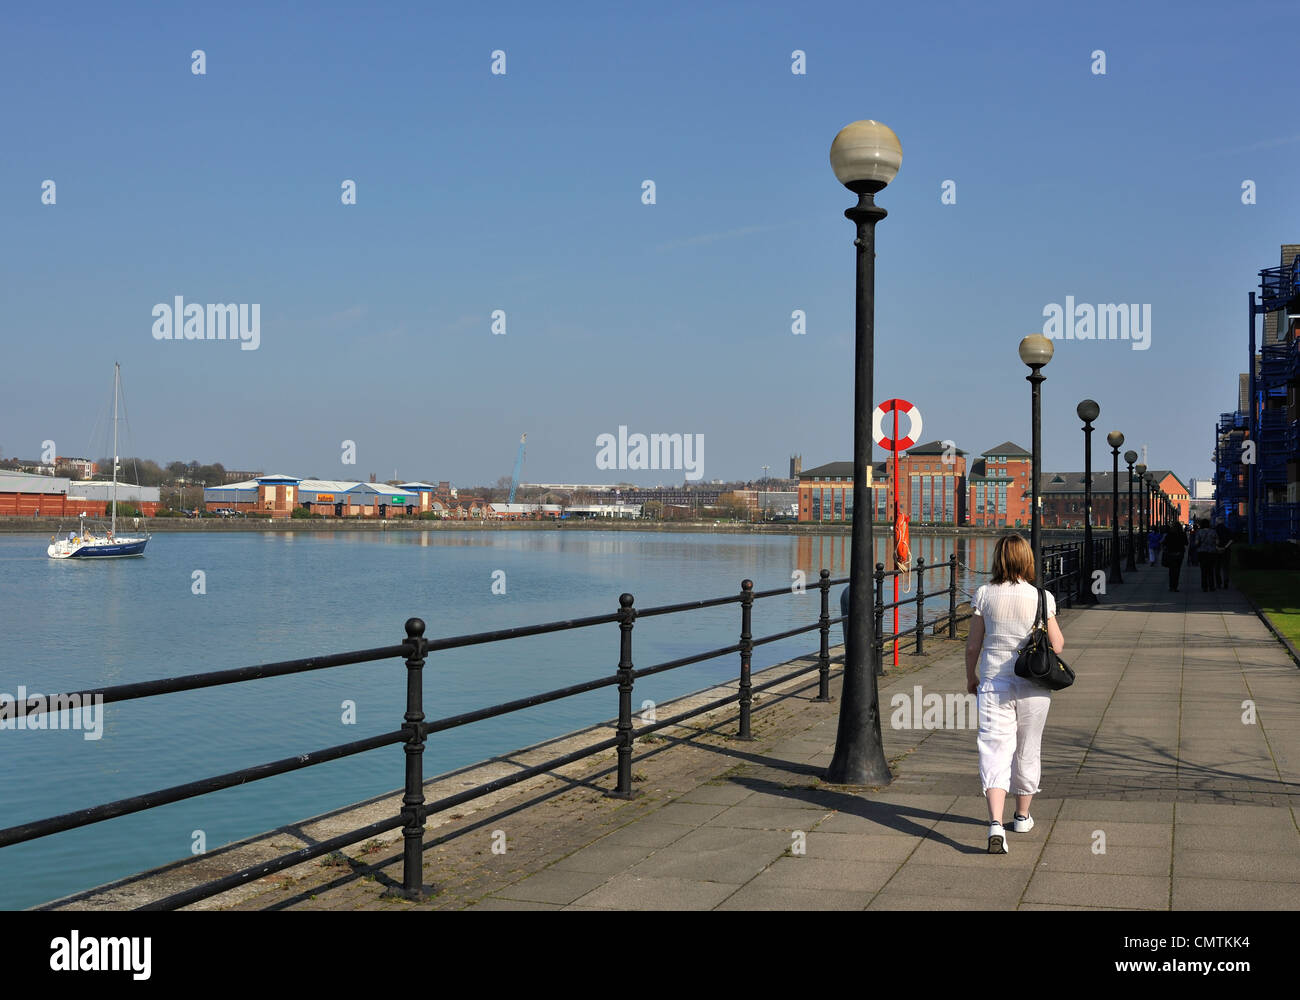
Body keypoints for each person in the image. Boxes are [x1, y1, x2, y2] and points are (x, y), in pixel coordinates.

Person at [965, 534, 1064, 855]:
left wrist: (971, 676)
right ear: (1027, 559)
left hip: (994, 684)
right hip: (1034, 684)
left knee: (994, 748)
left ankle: (995, 823)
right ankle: (1022, 816)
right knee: (1028, 748)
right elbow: (1058, 645)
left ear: (998, 559)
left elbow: (973, 645)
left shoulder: (984, 594)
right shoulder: (1041, 597)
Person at [1161, 519, 1186, 591]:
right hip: (1179, 554)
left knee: (1171, 570)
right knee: (1177, 570)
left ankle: (1171, 586)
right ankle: (1175, 586)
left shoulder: (1169, 534)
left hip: (1170, 554)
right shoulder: (1182, 534)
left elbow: (1164, 543)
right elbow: (1186, 543)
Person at [1195, 518, 1219, 591]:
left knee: (1203, 570)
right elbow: (1217, 542)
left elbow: (1196, 542)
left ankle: (1204, 587)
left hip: (1202, 553)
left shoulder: (1199, 532)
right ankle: (1211, 586)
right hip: (1211, 552)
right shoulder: (1213, 532)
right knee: (1211, 570)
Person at [1213, 518, 1232, 589]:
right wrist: (1225, 547)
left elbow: (1212, 540)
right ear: (1223, 522)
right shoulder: (1227, 530)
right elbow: (1231, 540)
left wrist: (1217, 547)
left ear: (1217, 522)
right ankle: (1226, 582)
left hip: (1216, 551)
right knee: (1225, 567)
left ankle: (1218, 583)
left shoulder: (1214, 530)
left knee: (1217, 568)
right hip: (1226, 551)